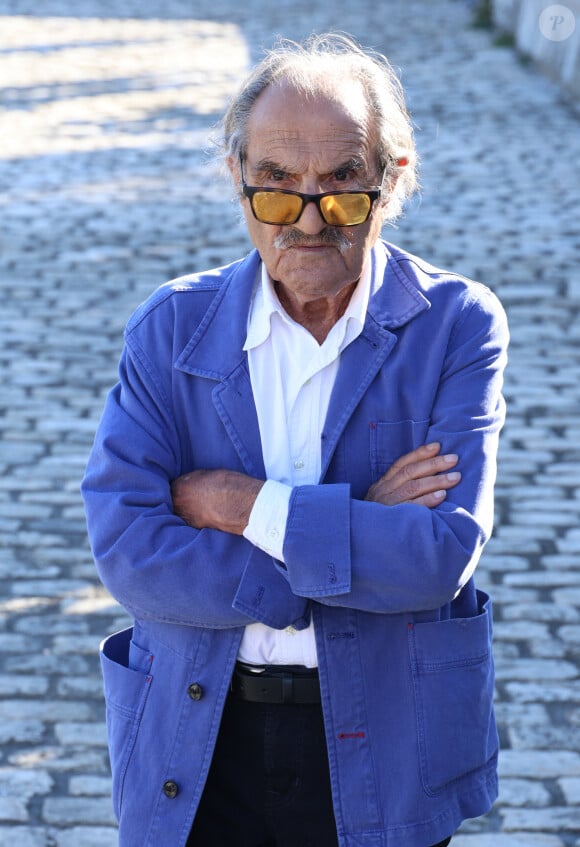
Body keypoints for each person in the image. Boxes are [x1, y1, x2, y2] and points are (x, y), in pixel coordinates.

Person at [81, 32, 508, 847]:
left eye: (342, 186)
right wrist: (350, 521)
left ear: (394, 182)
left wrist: (240, 505)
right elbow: (129, 551)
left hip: (392, 734)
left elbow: (435, 557)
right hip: (200, 740)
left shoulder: (457, 325)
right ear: (237, 182)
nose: (308, 221)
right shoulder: (171, 326)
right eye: (276, 189)